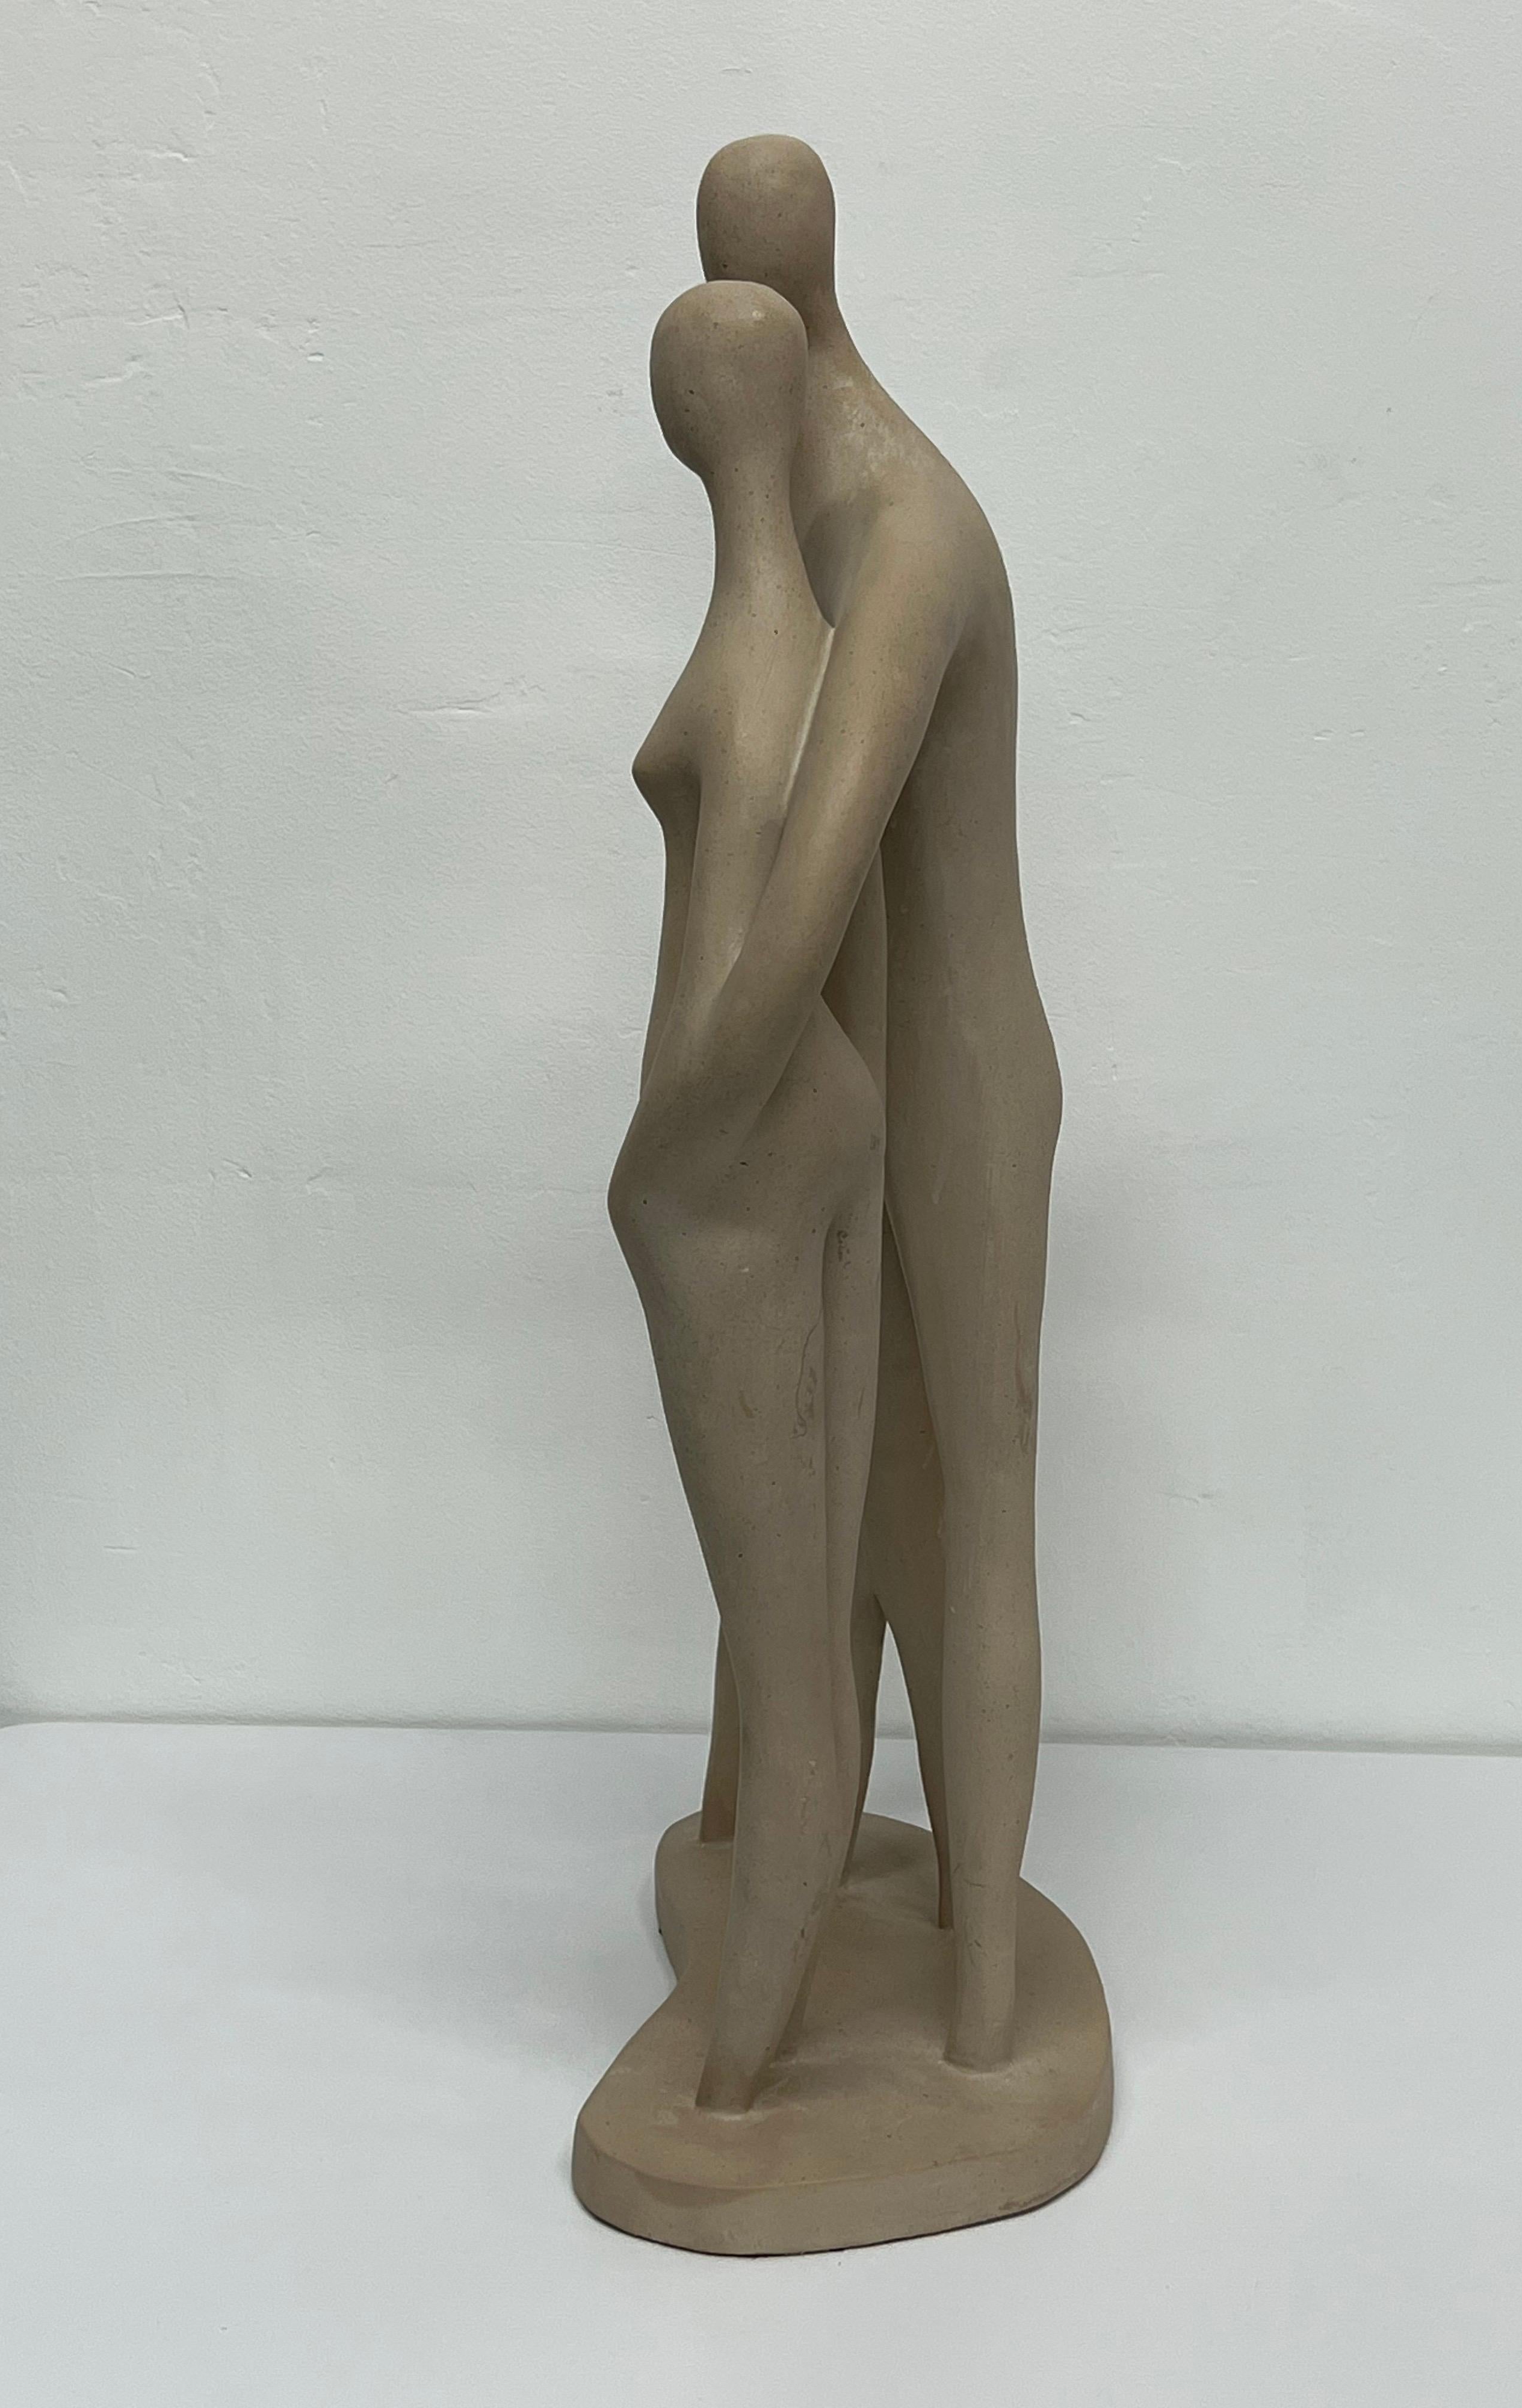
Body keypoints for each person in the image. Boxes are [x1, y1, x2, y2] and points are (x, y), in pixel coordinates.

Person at [666, 135, 1065, 2071]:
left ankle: (985, 2007)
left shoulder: (906, 525)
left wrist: (672, 1158)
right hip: (867, 1060)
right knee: (833, 1486)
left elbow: (814, 877)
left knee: (972, 1493)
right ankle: (773, 1864)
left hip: (964, 1071)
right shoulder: (797, 500)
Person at [609, 279, 886, 2114]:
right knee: (804, 1607)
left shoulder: (762, 650)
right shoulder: (792, 630)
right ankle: (756, 2026)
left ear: (689, 414)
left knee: (786, 1642)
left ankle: (736, 2085)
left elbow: (769, 915)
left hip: (737, 1166)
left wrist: (672, 1152)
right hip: (793, 1133)